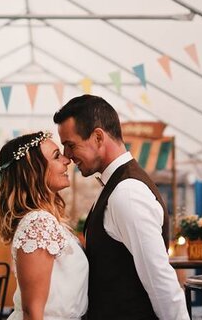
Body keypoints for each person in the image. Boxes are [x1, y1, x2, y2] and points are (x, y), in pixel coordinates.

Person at [54, 95, 190, 320]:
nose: (67, 156)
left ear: (98, 137)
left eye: (70, 145)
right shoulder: (116, 186)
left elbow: (160, 280)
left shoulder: (127, 192)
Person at [0, 131, 88, 320]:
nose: (66, 160)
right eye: (56, 156)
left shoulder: (46, 219)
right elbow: (32, 311)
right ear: (34, 172)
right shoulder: (38, 223)